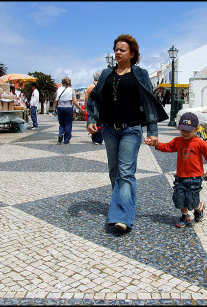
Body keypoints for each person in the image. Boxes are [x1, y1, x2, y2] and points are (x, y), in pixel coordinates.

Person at [86, 34, 169, 233]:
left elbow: (149, 102)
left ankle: (121, 217)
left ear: (132, 53)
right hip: (109, 130)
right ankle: (122, 207)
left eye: (122, 50)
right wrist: (91, 120)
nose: (118, 53)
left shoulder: (140, 74)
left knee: (125, 172)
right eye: (116, 49)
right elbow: (95, 98)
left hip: (131, 129)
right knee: (114, 172)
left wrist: (153, 131)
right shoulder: (107, 74)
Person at [145, 112, 207, 228]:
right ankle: (185, 216)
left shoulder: (200, 143)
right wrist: (156, 144)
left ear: (196, 129)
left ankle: (199, 208)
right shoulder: (178, 141)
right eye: (183, 130)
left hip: (195, 177)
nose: (185, 133)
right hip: (181, 176)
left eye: (188, 131)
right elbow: (167, 147)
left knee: (192, 199)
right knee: (180, 197)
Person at [53, 77, 85, 144]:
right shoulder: (71, 90)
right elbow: (74, 101)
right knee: (68, 124)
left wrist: (54, 109)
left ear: (62, 83)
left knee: (61, 123)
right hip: (68, 108)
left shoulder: (59, 89)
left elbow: (56, 100)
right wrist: (81, 109)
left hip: (60, 108)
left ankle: (61, 134)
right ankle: (66, 139)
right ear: (69, 83)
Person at [85, 72, 103, 145]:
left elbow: (86, 99)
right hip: (100, 105)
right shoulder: (102, 85)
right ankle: (99, 139)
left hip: (91, 106)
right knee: (99, 121)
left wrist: (86, 108)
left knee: (92, 120)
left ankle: (94, 138)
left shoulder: (89, 87)